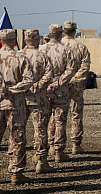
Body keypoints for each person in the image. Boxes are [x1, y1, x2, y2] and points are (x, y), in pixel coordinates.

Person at [0, 29, 34, 185]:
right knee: (17, 138)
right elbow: (29, 79)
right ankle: (16, 173)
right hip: (16, 103)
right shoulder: (21, 58)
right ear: (14, 40)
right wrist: (13, 89)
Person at [19, 29, 54, 174]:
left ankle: (16, 163)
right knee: (40, 130)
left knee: (17, 132)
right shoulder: (42, 56)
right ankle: (41, 161)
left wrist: (20, 88)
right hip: (38, 98)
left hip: (19, 99)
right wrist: (36, 86)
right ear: (36, 39)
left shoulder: (17, 55)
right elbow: (49, 74)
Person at [40, 24, 76, 162]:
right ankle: (58, 152)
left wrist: (44, 84)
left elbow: (35, 70)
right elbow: (70, 70)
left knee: (42, 122)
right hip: (60, 90)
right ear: (61, 33)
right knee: (60, 120)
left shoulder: (41, 50)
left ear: (49, 34)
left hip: (43, 90)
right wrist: (58, 83)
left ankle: (42, 152)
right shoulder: (65, 51)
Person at [61, 21, 91, 154]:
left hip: (59, 86)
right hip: (75, 85)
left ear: (63, 31)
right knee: (76, 115)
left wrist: (61, 80)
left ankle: (54, 147)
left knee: (56, 116)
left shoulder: (56, 46)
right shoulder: (81, 47)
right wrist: (73, 79)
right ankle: (75, 145)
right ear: (74, 32)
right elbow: (85, 66)